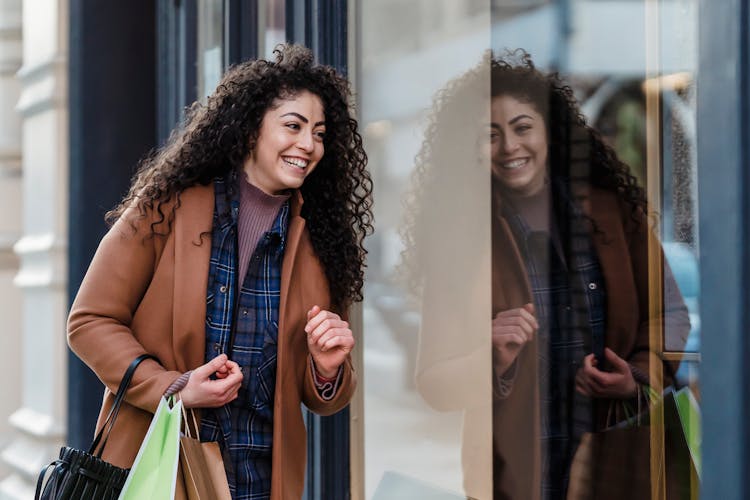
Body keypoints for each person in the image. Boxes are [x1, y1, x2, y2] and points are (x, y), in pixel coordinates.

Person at [67, 44, 373, 500]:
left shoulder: (324, 240)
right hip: (157, 468)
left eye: (320, 133)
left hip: (258, 480)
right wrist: (173, 388)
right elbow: (89, 322)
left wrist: (326, 369)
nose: (309, 145)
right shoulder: (165, 206)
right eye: (293, 126)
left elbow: (321, 394)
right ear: (251, 129)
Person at [404, 51, 690, 499]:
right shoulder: (463, 236)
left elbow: (668, 312)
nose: (510, 147)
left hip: (619, 460)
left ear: (549, 132)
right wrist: (491, 356)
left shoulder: (613, 212)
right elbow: (433, 384)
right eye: (490, 135)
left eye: (522, 127)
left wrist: (637, 377)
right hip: (516, 475)